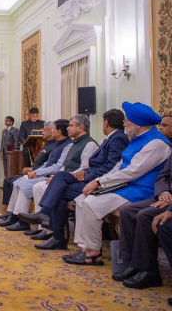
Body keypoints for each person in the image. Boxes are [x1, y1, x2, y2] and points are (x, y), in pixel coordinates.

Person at [64, 102, 172, 266]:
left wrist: (99, 182)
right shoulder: (136, 139)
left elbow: (133, 171)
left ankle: (92, 253)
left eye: (127, 120)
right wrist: (98, 182)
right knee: (81, 199)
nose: (124, 123)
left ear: (138, 123)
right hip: (126, 187)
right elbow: (119, 166)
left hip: (141, 190)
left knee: (91, 203)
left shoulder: (157, 143)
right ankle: (84, 248)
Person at [19, 109, 129, 249]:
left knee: (59, 189)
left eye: (70, 125)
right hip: (88, 176)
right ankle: (53, 230)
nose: (68, 128)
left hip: (97, 181)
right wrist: (85, 171)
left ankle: (55, 232)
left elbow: (110, 166)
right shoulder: (78, 142)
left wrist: (88, 175)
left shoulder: (114, 139)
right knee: (59, 182)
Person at [0, 119, 72, 231]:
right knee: (19, 182)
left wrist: (36, 172)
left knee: (24, 185)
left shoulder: (68, 145)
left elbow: (57, 167)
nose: (51, 132)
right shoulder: (57, 144)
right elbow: (48, 163)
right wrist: (35, 172)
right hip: (45, 173)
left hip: (51, 176)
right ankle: (14, 215)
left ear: (59, 131)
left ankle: (22, 221)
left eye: (53, 129)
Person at [115, 150, 172, 289]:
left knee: (145, 215)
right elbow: (163, 176)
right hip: (165, 196)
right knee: (127, 211)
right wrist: (164, 192)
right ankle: (133, 263)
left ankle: (149, 271)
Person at [1, 123, 56, 206]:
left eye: (44, 130)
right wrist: (32, 169)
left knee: (13, 182)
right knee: (8, 180)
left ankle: (16, 212)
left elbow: (52, 165)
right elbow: (44, 163)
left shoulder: (55, 145)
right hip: (36, 171)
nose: (42, 133)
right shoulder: (47, 144)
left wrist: (34, 171)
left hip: (42, 174)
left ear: (52, 132)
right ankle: (10, 210)